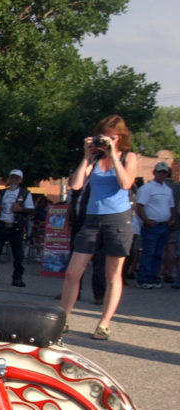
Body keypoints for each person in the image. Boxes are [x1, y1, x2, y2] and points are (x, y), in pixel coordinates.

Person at [60, 114, 137, 340]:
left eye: (112, 138)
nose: (106, 142)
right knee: (73, 272)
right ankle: (63, 318)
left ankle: (104, 323)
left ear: (120, 138)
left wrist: (113, 155)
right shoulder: (93, 160)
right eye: (104, 138)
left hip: (118, 219)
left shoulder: (127, 157)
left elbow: (126, 184)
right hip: (92, 219)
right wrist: (86, 156)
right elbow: (75, 185)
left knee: (112, 273)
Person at [0, 169, 34, 287]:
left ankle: (17, 277)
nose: (14, 180)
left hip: (16, 227)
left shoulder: (25, 193)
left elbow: (31, 210)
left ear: (20, 180)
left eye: (17, 178)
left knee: (18, 254)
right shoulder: (2, 193)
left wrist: (20, 209)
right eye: (12, 178)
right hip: (2, 224)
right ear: (9, 179)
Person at [135, 161, 175, 288]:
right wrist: (146, 220)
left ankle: (153, 277)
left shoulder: (168, 190)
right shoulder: (147, 188)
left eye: (164, 172)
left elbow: (171, 206)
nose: (162, 174)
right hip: (152, 225)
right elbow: (139, 206)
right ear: (154, 173)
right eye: (159, 172)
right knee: (148, 252)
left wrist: (171, 219)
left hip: (164, 225)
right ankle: (143, 278)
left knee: (158, 254)